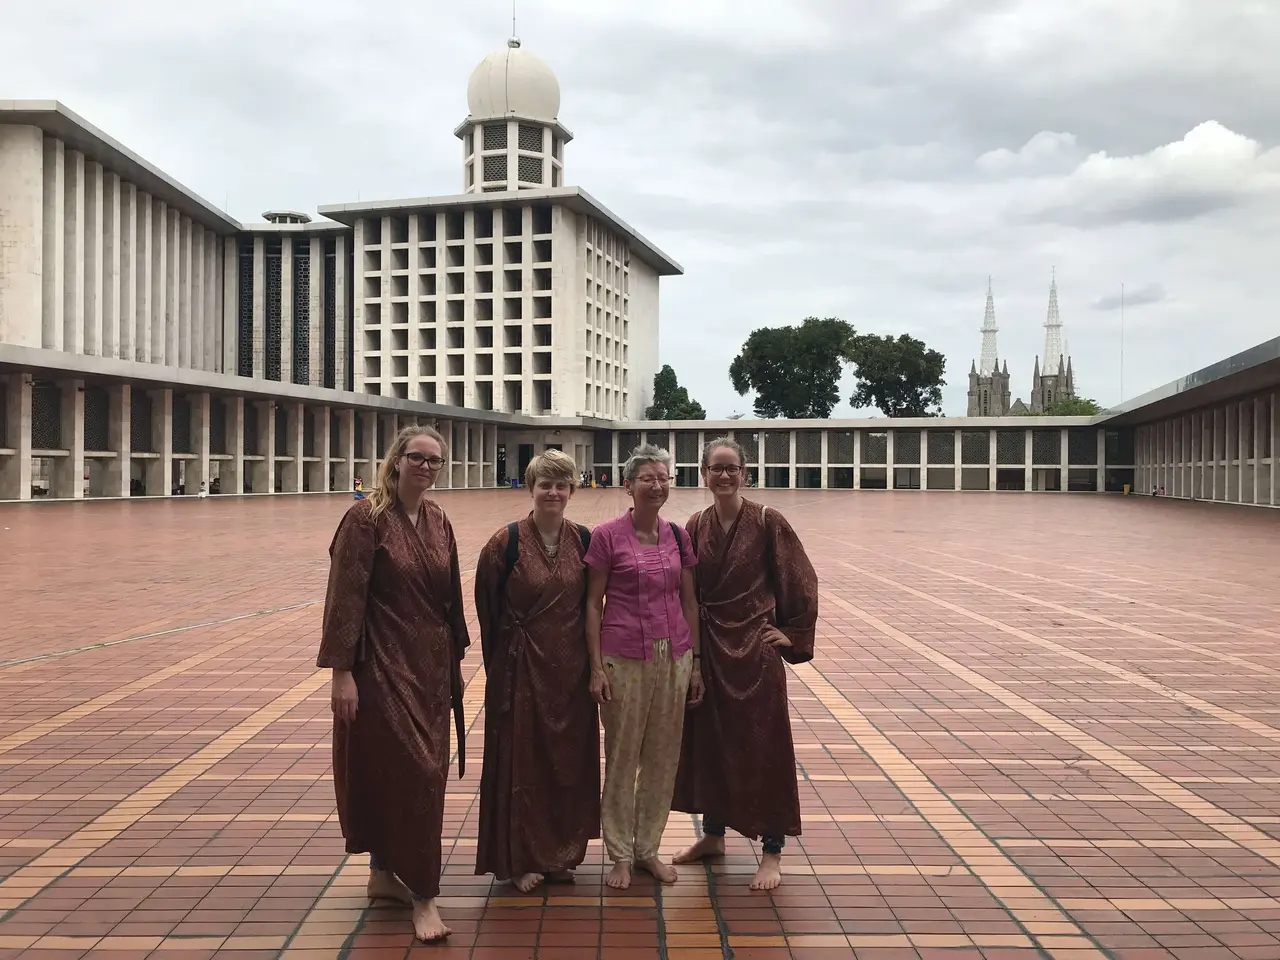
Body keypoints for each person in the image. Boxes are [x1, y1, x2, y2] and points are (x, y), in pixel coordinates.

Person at [316, 425, 469, 942]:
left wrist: (456, 660)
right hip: (380, 665)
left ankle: (384, 875)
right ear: (396, 460)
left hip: (429, 666)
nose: (426, 467)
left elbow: (450, 596)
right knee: (413, 771)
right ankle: (424, 894)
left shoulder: (438, 520)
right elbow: (344, 600)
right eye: (417, 458)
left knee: (419, 769)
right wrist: (343, 673)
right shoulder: (366, 520)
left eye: (435, 461)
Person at [672, 437, 819, 891]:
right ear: (703, 473)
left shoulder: (767, 521)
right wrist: (692, 654)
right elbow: (687, 593)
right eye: (715, 468)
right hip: (711, 648)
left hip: (755, 653)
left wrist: (790, 633)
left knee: (764, 746)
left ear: (745, 473)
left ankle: (772, 849)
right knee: (713, 741)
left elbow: (801, 578)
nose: (723, 476)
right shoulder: (696, 524)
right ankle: (713, 836)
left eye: (731, 468)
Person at [474, 450, 600, 893]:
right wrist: (502, 668)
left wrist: (595, 665)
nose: (553, 492)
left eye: (562, 484)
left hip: (570, 672)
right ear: (531, 488)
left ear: (572, 490)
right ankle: (519, 857)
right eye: (545, 484)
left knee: (566, 762)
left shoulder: (584, 541)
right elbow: (488, 612)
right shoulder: (504, 543)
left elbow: (593, 606)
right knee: (520, 763)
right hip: (521, 668)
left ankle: (560, 853)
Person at [584, 443, 704, 891]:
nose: (657, 486)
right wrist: (595, 667)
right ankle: (618, 852)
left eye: (663, 478)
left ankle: (647, 848)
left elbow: (689, 600)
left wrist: (696, 664)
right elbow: (593, 605)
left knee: (662, 756)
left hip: (674, 655)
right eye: (647, 478)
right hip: (623, 657)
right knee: (622, 755)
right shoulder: (607, 536)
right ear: (628, 485)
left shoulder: (677, 535)